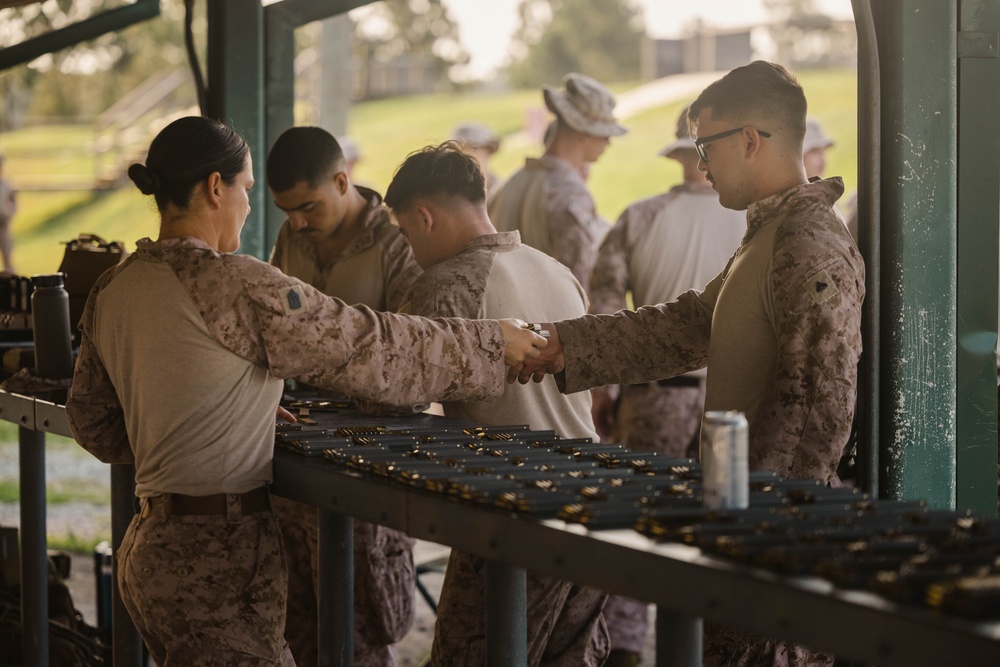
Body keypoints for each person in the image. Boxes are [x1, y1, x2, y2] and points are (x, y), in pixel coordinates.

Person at [64, 115, 547, 667]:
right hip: (217, 560)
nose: (250, 206)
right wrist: (491, 345)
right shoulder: (235, 283)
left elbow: (94, 422)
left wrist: (210, 423)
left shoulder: (114, 286)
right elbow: (374, 349)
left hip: (150, 546)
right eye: (246, 189)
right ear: (215, 187)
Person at [511, 61, 865, 667]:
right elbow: (687, 325)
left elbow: (817, 414)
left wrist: (758, 535)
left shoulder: (806, 243)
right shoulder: (770, 234)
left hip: (767, 542)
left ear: (751, 140)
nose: (700, 162)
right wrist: (565, 344)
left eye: (706, 144)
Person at [380, 141, 610, 667]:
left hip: (516, 513)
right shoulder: (554, 269)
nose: (410, 245)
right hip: (594, 497)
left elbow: (395, 388)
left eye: (406, 231)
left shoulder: (447, 284)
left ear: (424, 216)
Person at [588, 105, 746, 667]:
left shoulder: (639, 217)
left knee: (637, 521)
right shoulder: (754, 222)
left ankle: (626, 644)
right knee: (722, 522)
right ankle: (705, 643)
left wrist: (604, 388)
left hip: (652, 397)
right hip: (733, 401)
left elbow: (604, 306)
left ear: (680, 156)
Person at [266, 126, 424, 666]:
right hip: (295, 445)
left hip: (368, 454)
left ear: (342, 180)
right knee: (295, 614)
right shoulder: (293, 236)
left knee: (361, 617)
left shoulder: (397, 241)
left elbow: (409, 353)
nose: (297, 223)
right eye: (287, 211)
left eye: (308, 207)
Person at [488, 72, 626, 292]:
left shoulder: (507, 185)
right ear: (583, 131)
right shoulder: (571, 194)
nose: (608, 142)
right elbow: (577, 284)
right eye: (604, 133)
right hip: (548, 321)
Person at [450, 122, 502, 191]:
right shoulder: (448, 193)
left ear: (488, 150)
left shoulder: (503, 191)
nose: (465, 155)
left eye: (473, 149)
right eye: (458, 151)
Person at [0, 154, 17, 273]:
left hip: (2, 225)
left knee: (8, 258)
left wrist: (9, 214)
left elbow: (14, 203)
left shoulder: (6, 184)